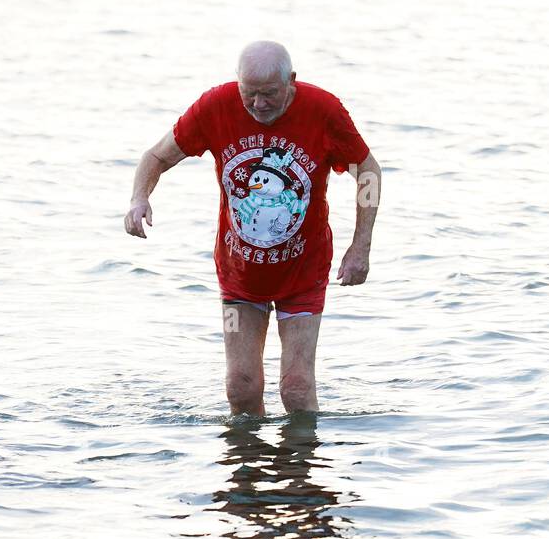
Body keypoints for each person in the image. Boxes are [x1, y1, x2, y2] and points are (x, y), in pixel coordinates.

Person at [124, 41, 380, 416]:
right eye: (250, 94)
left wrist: (361, 247)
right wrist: (138, 198)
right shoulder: (215, 106)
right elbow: (157, 156)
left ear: (291, 82)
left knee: (296, 387)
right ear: (237, 84)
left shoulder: (322, 110)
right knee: (240, 387)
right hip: (239, 276)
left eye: (270, 94)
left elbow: (368, 171)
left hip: (303, 273)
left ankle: (301, 473)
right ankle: (244, 471)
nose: (259, 104)